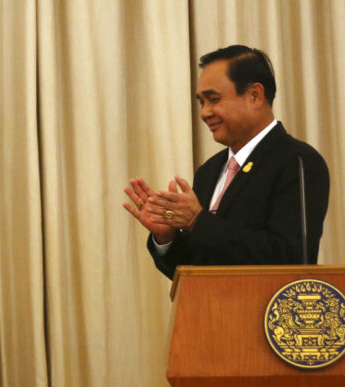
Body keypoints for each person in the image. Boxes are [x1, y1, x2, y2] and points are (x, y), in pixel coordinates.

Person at [123, 45, 330, 280]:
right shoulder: (209, 171)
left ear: (255, 95)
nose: (204, 113)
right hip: (209, 314)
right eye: (201, 102)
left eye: (213, 99)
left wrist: (197, 221)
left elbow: (290, 258)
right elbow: (196, 271)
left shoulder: (298, 162)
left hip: (265, 314)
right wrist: (168, 238)